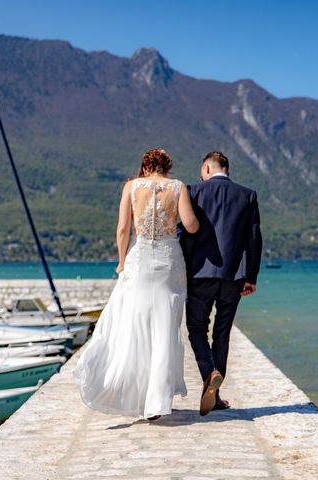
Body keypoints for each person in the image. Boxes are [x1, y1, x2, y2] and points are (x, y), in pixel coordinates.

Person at [73, 148, 199, 420]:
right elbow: (190, 225)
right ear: (167, 167)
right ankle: (157, 400)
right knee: (165, 327)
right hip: (168, 261)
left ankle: (136, 393)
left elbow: (122, 228)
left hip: (140, 260)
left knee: (136, 326)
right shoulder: (178, 187)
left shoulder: (131, 187)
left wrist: (121, 261)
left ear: (144, 166)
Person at [180, 151, 262, 416]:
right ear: (226, 169)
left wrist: (182, 270)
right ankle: (214, 394)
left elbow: (186, 234)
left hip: (199, 274)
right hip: (233, 276)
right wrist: (251, 277)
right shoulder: (247, 195)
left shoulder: (194, 191)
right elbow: (254, 239)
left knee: (195, 329)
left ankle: (209, 371)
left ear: (206, 167)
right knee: (222, 331)